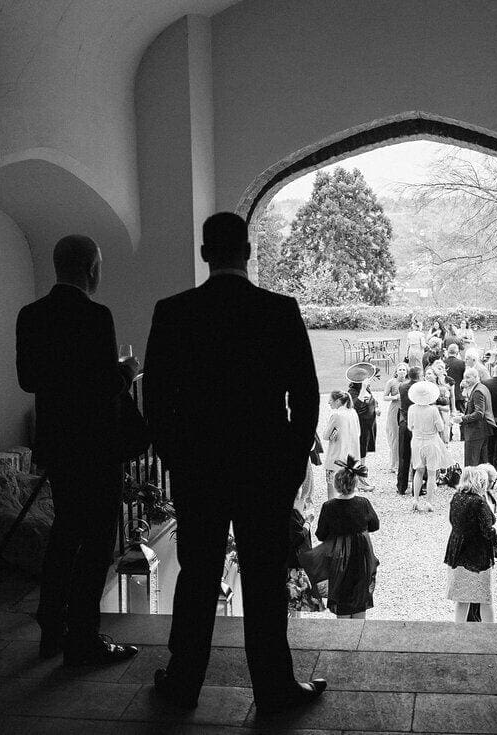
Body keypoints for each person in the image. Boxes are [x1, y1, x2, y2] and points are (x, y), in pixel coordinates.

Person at [145, 212, 325, 713]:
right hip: (264, 470)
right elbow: (306, 397)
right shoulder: (278, 310)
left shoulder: (174, 311)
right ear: (247, 251)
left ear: (205, 253)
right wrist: (290, 465)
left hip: (199, 470)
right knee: (265, 578)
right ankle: (273, 687)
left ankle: (182, 683)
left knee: (197, 574)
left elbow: (156, 401)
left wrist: (177, 458)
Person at [15, 234, 140, 666]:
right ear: (90, 268)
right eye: (99, 264)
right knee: (98, 542)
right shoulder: (96, 316)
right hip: (94, 446)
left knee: (66, 533)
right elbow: (103, 389)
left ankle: (51, 622)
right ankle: (84, 637)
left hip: (57, 444)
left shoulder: (30, 315)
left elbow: (28, 379)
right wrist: (126, 371)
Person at [315, 456, 380, 619]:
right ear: (355, 483)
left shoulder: (329, 507)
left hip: (338, 559)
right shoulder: (363, 503)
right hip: (361, 558)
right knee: (359, 598)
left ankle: (344, 639)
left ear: (336, 485)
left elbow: (321, 534)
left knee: (342, 600)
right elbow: (374, 525)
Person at [445, 466, 497, 623]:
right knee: (484, 598)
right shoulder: (479, 502)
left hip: (457, 551)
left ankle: (458, 632)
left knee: (462, 599)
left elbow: (453, 521)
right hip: (477, 556)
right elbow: (489, 532)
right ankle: (490, 634)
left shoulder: (457, 497)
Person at [407, 380, 447, 511]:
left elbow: (409, 426)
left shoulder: (411, 409)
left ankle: (415, 499)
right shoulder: (433, 410)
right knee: (431, 473)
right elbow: (440, 427)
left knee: (418, 471)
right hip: (431, 442)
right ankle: (429, 502)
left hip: (417, 442)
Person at [454, 368, 496, 466]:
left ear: (476, 377)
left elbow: (479, 413)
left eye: (468, 377)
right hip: (481, 430)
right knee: (481, 463)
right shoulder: (482, 387)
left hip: (476, 432)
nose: (465, 380)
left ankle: (471, 481)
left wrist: (462, 419)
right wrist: (464, 415)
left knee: (471, 464)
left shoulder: (478, 391)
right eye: (464, 378)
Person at [323, 391, 361, 499]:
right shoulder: (353, 412)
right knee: (349, 490)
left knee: (332, 493)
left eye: (330, 400)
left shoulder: (336, 415)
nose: (328, 403)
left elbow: (326, 435)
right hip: (351, 457)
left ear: (338, 401)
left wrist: (333, 435)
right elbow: (358, 432)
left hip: (336, 457)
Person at [395, 365, 422, 495]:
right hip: (416, 423)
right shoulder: (420, 388)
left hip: (404, 422)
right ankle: (416, 487)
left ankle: (401, 485)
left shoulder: (402, 387)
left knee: (403, 455)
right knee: (417, 456)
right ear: (419, 376)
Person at [382, 365, 407, 472]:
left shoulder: (409, 382)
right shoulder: (391, 382)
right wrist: (394, 397)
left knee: (405, 437)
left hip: (406, 409)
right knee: (395, 437)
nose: (402, 372)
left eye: (404, 370)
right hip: (395, 409)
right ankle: (394, 464)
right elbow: (384, 396)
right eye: (400, 370)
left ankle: (404, 462)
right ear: (396, 371)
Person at [443, 343, 467, 407]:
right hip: (459, 394)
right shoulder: (462, 363)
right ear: (457, 352)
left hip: (445, 395)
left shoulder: (442, 363)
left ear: (448, 352)